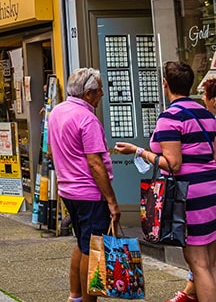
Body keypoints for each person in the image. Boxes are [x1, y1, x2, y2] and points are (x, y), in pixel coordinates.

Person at [115, 62, 216, 302]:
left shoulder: (169, 117)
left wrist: (139, 152)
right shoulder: (207, 114)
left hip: (189, 196)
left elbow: (173, 164)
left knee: (198, 263)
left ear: (165, 85)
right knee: (210, 261)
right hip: (210, 190)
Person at [47, 68, 120, 302]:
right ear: (88, 93)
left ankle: (75, 297)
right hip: (89, 192)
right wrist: (111, 201)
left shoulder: (57, 112)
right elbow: (95, 164)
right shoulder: (87, 119)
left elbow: (51, 151)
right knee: (94, 248)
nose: (103, 94)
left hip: (68, 190)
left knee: (82, 242)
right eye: (99, 90)